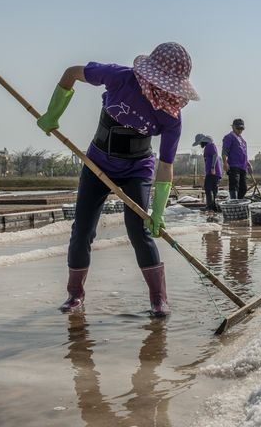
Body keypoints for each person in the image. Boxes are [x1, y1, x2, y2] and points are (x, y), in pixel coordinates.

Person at [36, 42, 199, 316]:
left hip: (137, 169)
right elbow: (71, 73)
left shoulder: (171, 116)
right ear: (148, 73)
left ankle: (159, 299)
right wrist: (53, 114)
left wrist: (157, 211)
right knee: (82, 230)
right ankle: (75, 295)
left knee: (139, 230)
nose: (163, 90)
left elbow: (165, 165)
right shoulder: (119, 77)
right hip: (97, 162)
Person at [222, 118, 253, 199]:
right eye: (238, 128)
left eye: (241, 129)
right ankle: (234, 202)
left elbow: (243, 154)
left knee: (243, 188)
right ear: (233, 127)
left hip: (243, 166)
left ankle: (238, 201)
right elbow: (224, 151)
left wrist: (249, 164)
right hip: (233, 165)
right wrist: (225, 163)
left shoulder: (242, 140)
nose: (240, 130)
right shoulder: (229, 137)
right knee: (234, 185)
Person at [192, 133, 222, 211]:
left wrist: (212, 167)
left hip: (213, 172)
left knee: (208, 188)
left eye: (200, 143)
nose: (200, 145)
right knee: (213, 189)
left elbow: (215, 155)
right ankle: (214, 207)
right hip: (212, 172)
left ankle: (210, 206)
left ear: (203, 141)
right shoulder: (208, 147)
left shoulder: (210, 146)